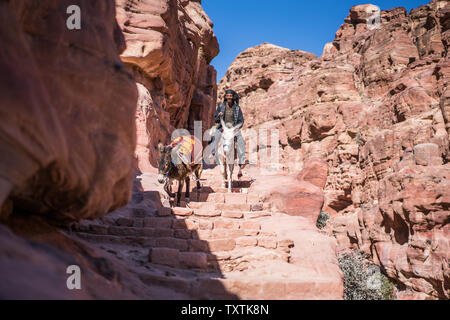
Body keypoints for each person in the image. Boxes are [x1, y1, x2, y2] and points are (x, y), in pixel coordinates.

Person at [211, 89, 248, 169]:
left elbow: (241, 121)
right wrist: (219, 116)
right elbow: (215, 119)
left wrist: (236, 128)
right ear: (225, 97)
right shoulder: (221, 106)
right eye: (227, 96)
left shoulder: (237, 108)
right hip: (222, 127)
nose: (229, 98)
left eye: (230, 96)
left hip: (233, 129)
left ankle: (242, 160)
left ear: (233, 97)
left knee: (240, 140)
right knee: (215, 136)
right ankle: (213, 156)